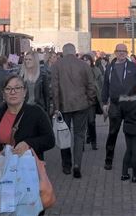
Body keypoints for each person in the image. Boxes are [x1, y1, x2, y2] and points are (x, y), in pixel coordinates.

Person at [0, 74, 55, 161]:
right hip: (2, 168)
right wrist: (2, 151)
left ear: (24, 92)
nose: (12, 92)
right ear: (3, 94)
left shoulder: (36, 112)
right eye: (8, 88)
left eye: (17, 88)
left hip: (28, 168)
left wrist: (28, 144)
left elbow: (50, 140)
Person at [51, 43, 96, 178]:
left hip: (63, 106)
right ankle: (77, 165)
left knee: (64, 135)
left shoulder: (57, 66)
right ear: (75, 51)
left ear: (63, 52)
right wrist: (89, 101)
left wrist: (56, 107)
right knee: (79, 136)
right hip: (81, 105)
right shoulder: (84, 65)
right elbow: (91, 86)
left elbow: (54, 88)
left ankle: (66, 165)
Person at [101, 43, 136, 171]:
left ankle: (130, 159)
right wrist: (104, 103)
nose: (121, 53)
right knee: (112, 133)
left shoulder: (133, 67)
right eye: (119, 51)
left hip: (130, 105)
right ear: (115, 52)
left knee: (130, 133)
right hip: (115, 105)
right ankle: (108, 160)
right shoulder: (110, 67)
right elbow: (105, 86)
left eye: (124, 51)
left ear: (127, 52)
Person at [82, 53, 103, 150]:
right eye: (84, 60)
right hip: (81, 101)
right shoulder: (79, 71)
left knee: (91, 121)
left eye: (87, 60)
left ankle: (93, 142)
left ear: (91, 61)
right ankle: (81, 144)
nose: (86, 62)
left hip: (92, 100)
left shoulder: (96, 70)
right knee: (82, 123)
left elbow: (101, 84)